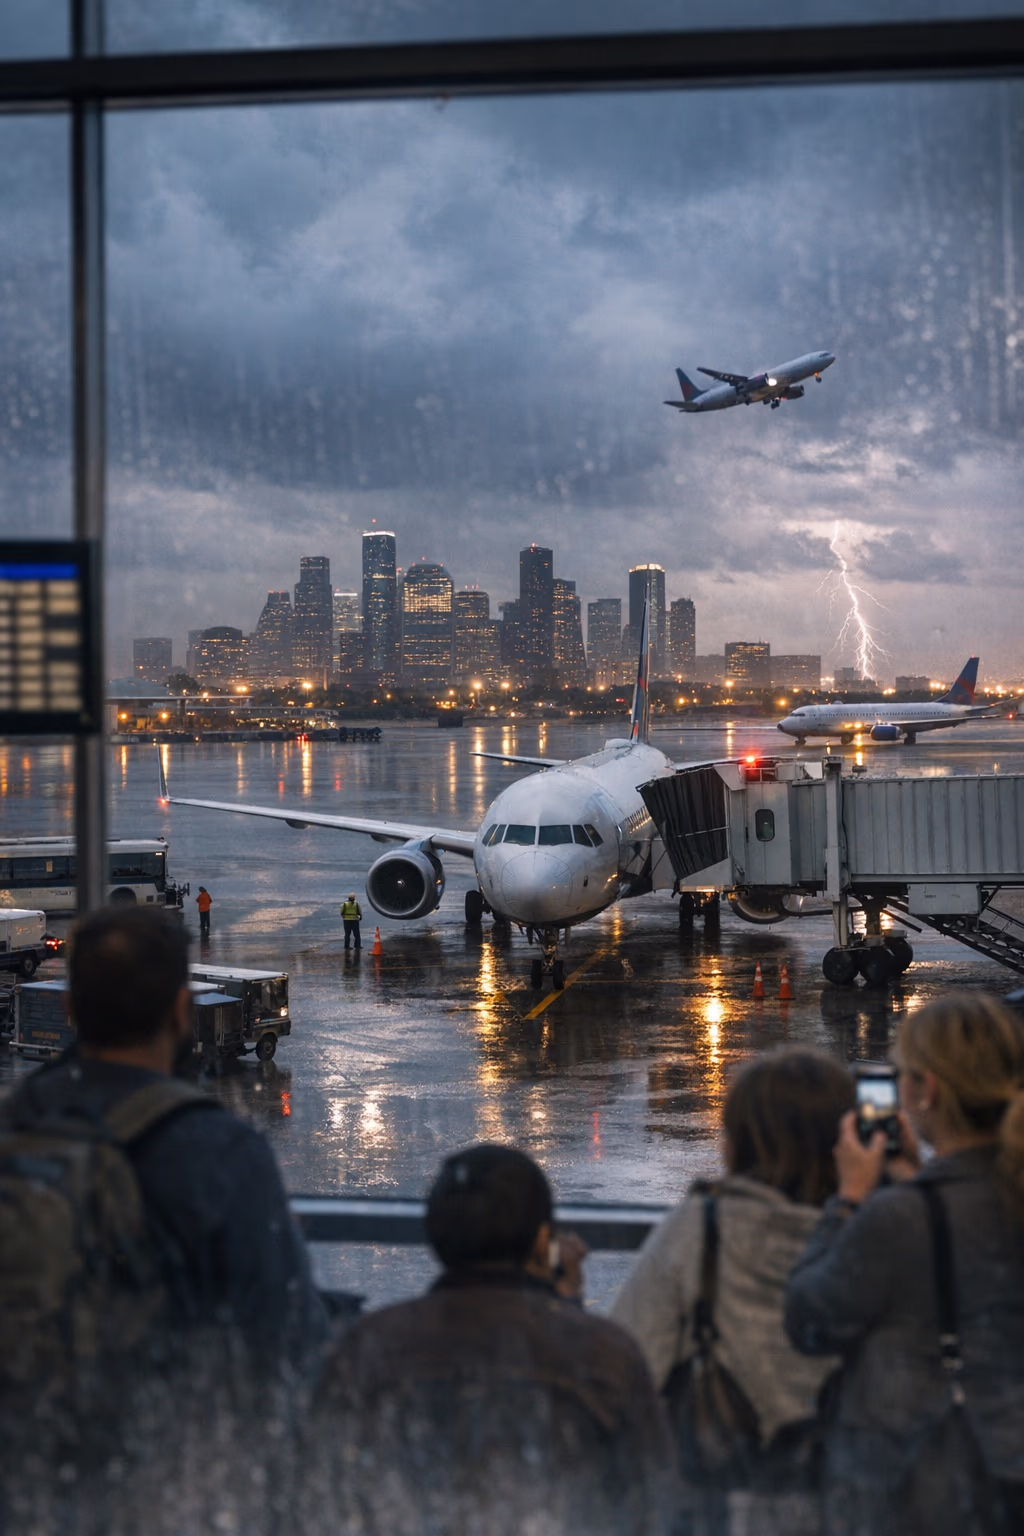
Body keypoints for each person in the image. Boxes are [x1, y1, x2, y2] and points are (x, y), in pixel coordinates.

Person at [305, 1143, 678, 1535]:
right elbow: (649, 1495)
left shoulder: (368, 1347)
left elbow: (323, 1489)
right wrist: (565, 1303)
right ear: (541, 1244)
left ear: (435, 1237)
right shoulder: (604, 1353)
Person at [785, 993, 1024, 1536]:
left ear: (927, 1092)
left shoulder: (901, 1218)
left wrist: (849, 1197)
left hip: (927, 1489)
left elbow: (809, 1319)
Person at [612, 1047, 855, 1536]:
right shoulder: (878, 1233)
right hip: (854, 1503)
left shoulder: (699, 1231)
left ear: (736, 1143)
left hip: (722, 1505)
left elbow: (627, 1367)